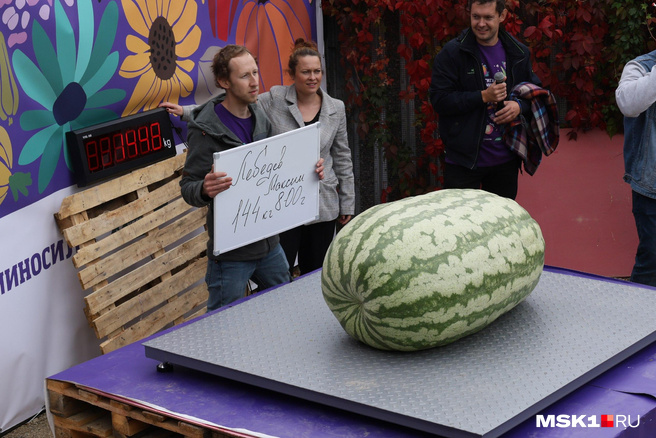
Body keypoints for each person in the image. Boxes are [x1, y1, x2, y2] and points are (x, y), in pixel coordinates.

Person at [163, 39, 355, 277]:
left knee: (315, 274)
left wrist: (347, 201)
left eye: (317, 71)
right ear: (292, 74)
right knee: (282, 274)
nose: (313, 77)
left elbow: (343, 157)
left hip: (322, 201)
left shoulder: (336, 108)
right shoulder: (273, 99)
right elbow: (227, 105)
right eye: (306, 71)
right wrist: (187, 112)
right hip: (282, 204)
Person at [177, 45, 324, 311]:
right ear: (224, 82)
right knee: (222, 323)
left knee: (288, 308)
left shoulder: (260, 116)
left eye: (255, 72)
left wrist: (308, 171)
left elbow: (275, 170)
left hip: (269, 244)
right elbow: (188, 188)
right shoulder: (205, 130)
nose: (255, 81)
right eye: (245, 76)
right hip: (231, 255)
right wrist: (204, 189)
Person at [429, 0, 542, 200]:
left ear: (502, 16)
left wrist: (519, 106)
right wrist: (482, 96)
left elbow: (534, 94)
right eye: (476, 17)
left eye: (488, 17)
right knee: (460, 220)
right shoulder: (453, 53)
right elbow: (439, 100)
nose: (481, 24)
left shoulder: (518, 53)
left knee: (501, 221)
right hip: (463, 162)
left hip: (505, 161)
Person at [616, 50, 656, 287]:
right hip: (651, 190)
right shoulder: (640, 67)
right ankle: (638, 309)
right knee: (652, 260)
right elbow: (628, 104)